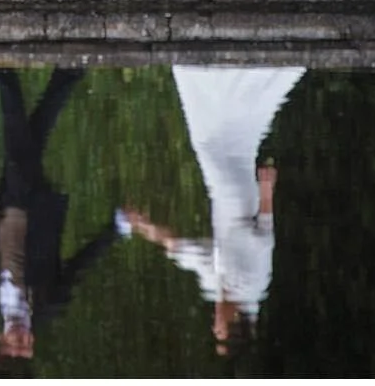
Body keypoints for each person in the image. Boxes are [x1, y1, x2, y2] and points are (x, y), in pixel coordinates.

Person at [121, 64, 304, 356]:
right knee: (210, 146)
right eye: (218, 326)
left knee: (216, 142)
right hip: (240, 202)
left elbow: (181, 249)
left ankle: (211, 75)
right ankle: (216, 77)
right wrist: (267, 191)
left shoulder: (220, 285)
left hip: (225, 203)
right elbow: (263, 237)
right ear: (233, 320)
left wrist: (143, 226)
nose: (214, 321)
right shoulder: (251, 283)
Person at [0, 68, 129, 360]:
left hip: (8, 202)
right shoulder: (48, 305)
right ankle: (4, 74)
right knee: (18, 145)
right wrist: (115, 230)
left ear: (2, 338)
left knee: (32, 140)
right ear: (32, 342)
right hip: (37, 207)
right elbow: (77, 267)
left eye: (12, 343)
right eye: (23, 345)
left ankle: (66, 74)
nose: (19, 339)